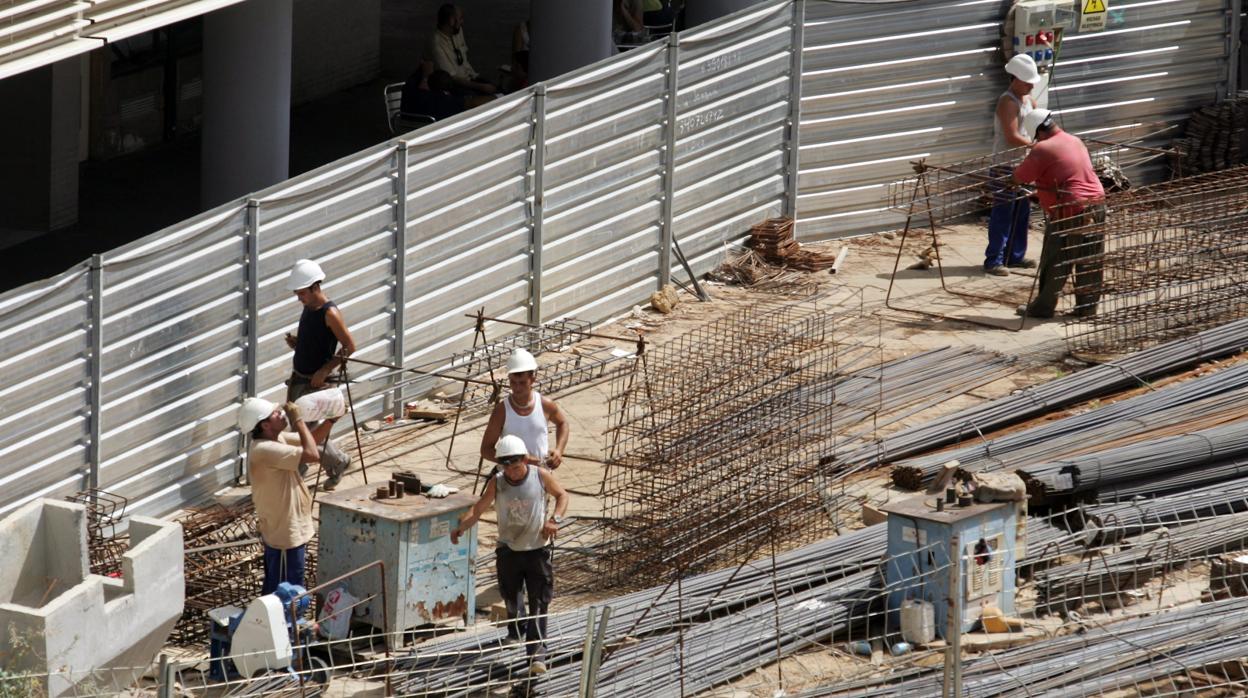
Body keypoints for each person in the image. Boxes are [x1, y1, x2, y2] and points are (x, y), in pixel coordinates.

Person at [452, 435, 570, 675]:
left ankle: (536, 654)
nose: (513, 473)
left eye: (516, 467)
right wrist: (461, 526)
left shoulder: (539, 475)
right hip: (509, 550)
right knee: (511, 598)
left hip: (537, 550)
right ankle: (518, 630)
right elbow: (479, 507)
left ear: (525, 460)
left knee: (539, 601)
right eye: (507, 468)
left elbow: (562, 496)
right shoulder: (498, 482)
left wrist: (554, 519)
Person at [1012, 108, 1106, 319]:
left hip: (1070, 210)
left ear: (1040, 133)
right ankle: (1087, 309)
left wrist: (1010, 180)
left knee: (1056, 258)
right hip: (1096, 204)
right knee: (1089, 258)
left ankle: (1042, 308)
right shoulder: (1074, 140)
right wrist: (1042, 193)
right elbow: (1070, 174)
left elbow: (1019, 177)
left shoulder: (1042, 148)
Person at [238, 397, 329, 594]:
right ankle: (284, 623)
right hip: (284, 533)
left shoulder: (276, 439)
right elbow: (313, 454)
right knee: (286, 591)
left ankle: (284, 621)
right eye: (276, 414)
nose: (281, 414)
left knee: (286, 586)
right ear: (265, 424)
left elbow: (313, 441)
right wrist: (298, 420)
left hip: (291, 527)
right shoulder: (264, 449)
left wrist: (330, 420)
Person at [284, 259, 355, 490]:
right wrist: (298, 343)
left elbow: (349, 347)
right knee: (302, 429)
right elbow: (315, 340)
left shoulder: (330, 313)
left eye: (302, 293)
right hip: (299, 377)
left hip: (315, 382)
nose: (299, 298)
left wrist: (325, 370)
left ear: (315, 288)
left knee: (308, 432)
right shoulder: (308, 308)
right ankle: (335, 462)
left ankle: (319, 465)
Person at [985, 53, 1045, 277]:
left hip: (1023, 165)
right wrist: (1034, 146)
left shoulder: (1030, 102)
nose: (1031, 86)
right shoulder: (1007, 101)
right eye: (1027, 81)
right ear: (1015, 78)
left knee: (1022, 211)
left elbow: (1035, 128)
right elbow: (1011, 135)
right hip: (1005, 165)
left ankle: (1015, 256)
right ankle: (994, 260)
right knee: (1003, 212)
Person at [480, 348, 570, 470]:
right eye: (513, 382)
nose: (517, 388)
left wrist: (559, 450)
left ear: (532, 379)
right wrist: (514, 461)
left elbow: (563, 423)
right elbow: (486, 449)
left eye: (522, 383)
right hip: (511, 480)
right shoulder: (501, 411)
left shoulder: (545, 405)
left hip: (540, 476)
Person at [431, 4, 497, 96]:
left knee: (496, 88)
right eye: (460, 18)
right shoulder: (436, 43)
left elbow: (463, 60)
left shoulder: (457, 31)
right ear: (451, 21)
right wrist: (481, 86)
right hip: (456, 86)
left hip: (470, 78)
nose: (463, 22)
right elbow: (453, 79)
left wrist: (477, 79)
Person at [401, 61, 468, 121]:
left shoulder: (413, 93)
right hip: (428, 127)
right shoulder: (442, 100)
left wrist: (425, 76)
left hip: (411, 125)